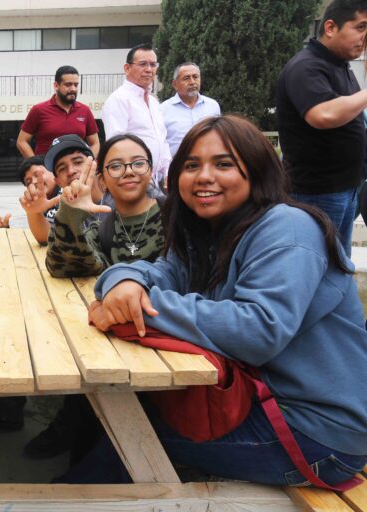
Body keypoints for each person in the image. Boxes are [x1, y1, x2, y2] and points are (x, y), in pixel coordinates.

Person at [76, 114, 367, 486]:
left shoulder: (287, 228)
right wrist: (123, 280)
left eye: (224, 164)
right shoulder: (208, 233)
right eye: (191, 165)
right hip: (257, 401)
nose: (204, 176)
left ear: (258, 171)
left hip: (318, 432)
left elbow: (257, 329)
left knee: (134, 434)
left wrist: (142, 308)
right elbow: (159, 272)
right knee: (129, 417)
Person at [276, 0, 367, 255]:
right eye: (360, 27)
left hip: (345, 188)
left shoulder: (340, 66)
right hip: (317, 193)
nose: (364, 37)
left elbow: (353, 117)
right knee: (318, 266)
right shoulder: (306, 66)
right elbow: (323, 114)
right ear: (330, 27)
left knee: (337, 265)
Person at [45, 133, 165, 278]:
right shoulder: (101, 232)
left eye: (138, 163)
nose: (128, 171)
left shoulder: (179, 217)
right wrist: (69, 215)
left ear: (151, 170)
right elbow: (61, 267)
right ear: (102, 180)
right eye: (115, 166)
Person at [101, 43, 171, 190]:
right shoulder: (118, 100)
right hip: (134, 181)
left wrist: (167, 172)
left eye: (153, 64)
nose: (149, 69)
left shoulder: (154, 102)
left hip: (157, 181)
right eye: (143, 64)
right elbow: (117, 147)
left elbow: (162, 140)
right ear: (127, 68)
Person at [17, 65, 100, 158]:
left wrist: (88, 163)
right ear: (56, 85)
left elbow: (95, 143)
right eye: (68, 84)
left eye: (76, 85)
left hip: (76, 170)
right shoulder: (39, 110)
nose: (73, 89)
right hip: (47, 171)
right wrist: (36, 166)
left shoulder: (85, 110)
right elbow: (21, 142)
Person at [160, 62, 221, 155]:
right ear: (175, 84)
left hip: (207, 165)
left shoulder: (212, 106)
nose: (192, 82)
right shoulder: (163, 110)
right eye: (186, 78)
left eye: (196, 77)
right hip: (177, 166)